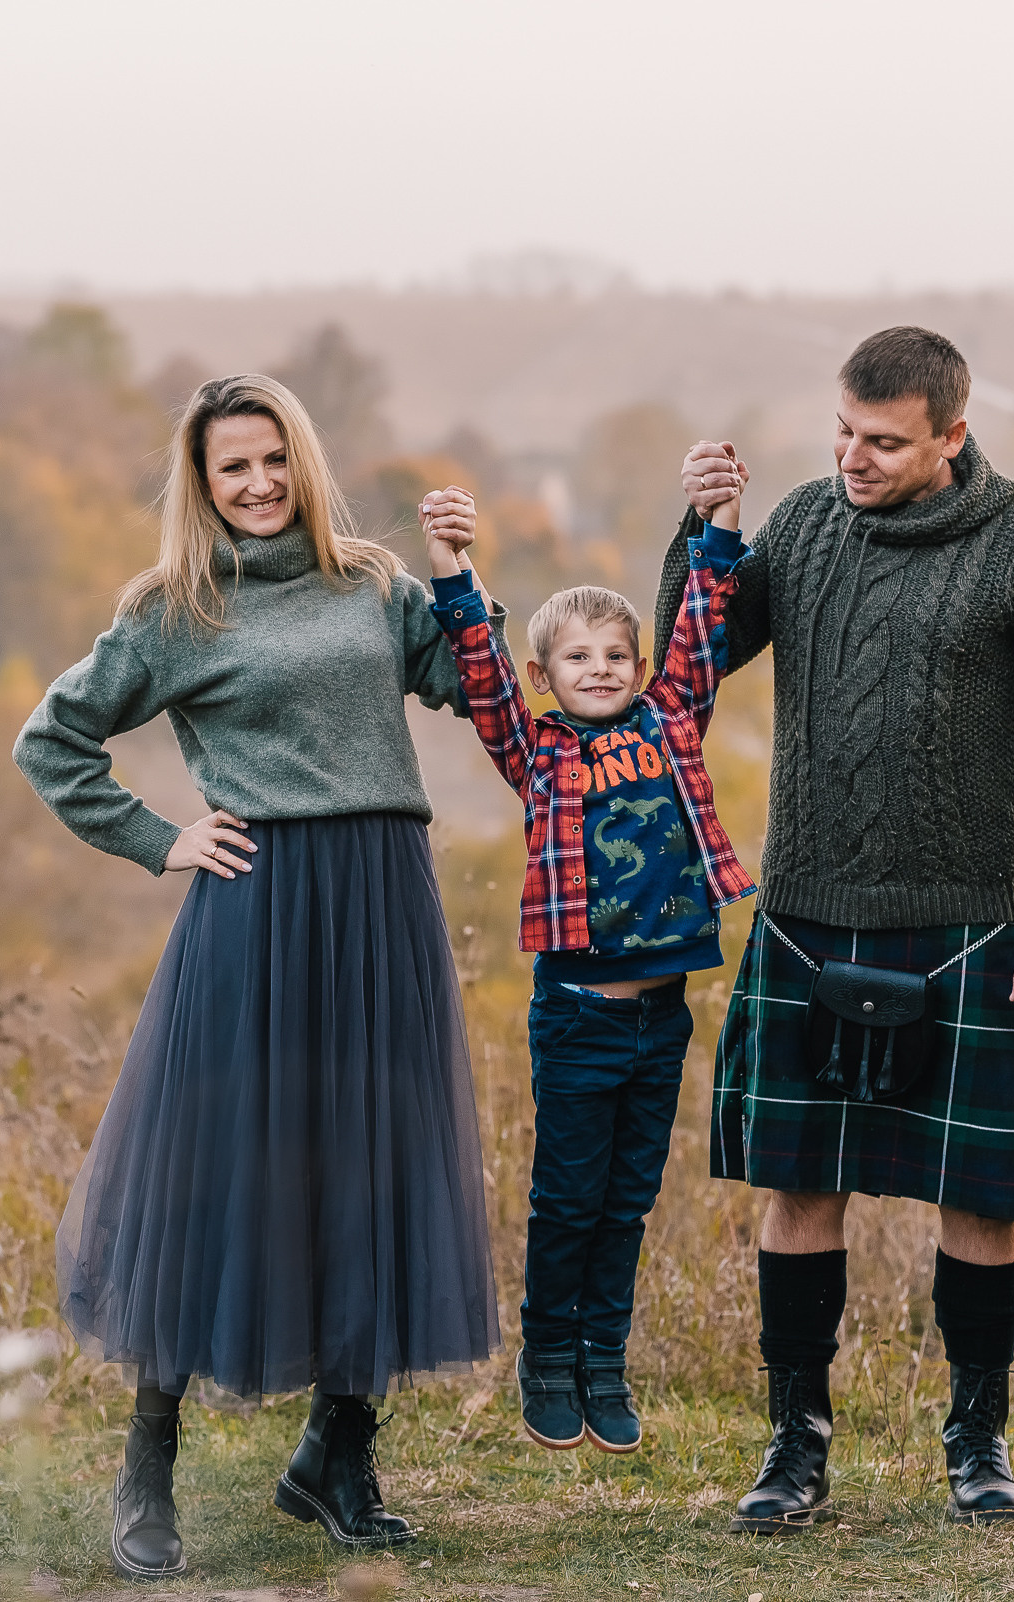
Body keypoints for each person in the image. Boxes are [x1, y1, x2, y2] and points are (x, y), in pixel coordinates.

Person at [13, 374, 501, 1579]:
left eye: (276, 459)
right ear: (203, 484)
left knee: (375, 1160)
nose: (260, 484)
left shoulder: (373, 582)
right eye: (234, 467)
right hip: (260, 909)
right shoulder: (176, 609)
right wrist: (161, 838)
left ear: (306, 461)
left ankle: (339, 1455)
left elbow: (467, 684)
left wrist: (457, 572)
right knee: (214, 1174)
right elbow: (52, 740)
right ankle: (148, 1463)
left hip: (384, 896)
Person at [658, 326, 1014, 1531]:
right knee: (798, 1185)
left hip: (972, 926)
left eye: (883, 442)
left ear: (951, 437)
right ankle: (795, 1443)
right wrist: (699, 536)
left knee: (980, 1200)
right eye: (843, 433)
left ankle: (977, 1437)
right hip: (809, 915)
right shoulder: (808, 525)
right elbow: (690, 667)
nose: (853, 458)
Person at [418, 475, 754, 1459]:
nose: (600, 669)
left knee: (628, 1201)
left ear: (640, 666)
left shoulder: (672, 722)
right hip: (576, 1017)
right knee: (568, 1201)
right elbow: (475, 671)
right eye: (577, 657)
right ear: (545, 673)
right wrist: (453, 561)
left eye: (616, 655)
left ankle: (604, 1360)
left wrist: (719, 519)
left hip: (662, 1020)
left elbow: (703, 623)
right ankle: (546, 1364)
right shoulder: (537, 752)